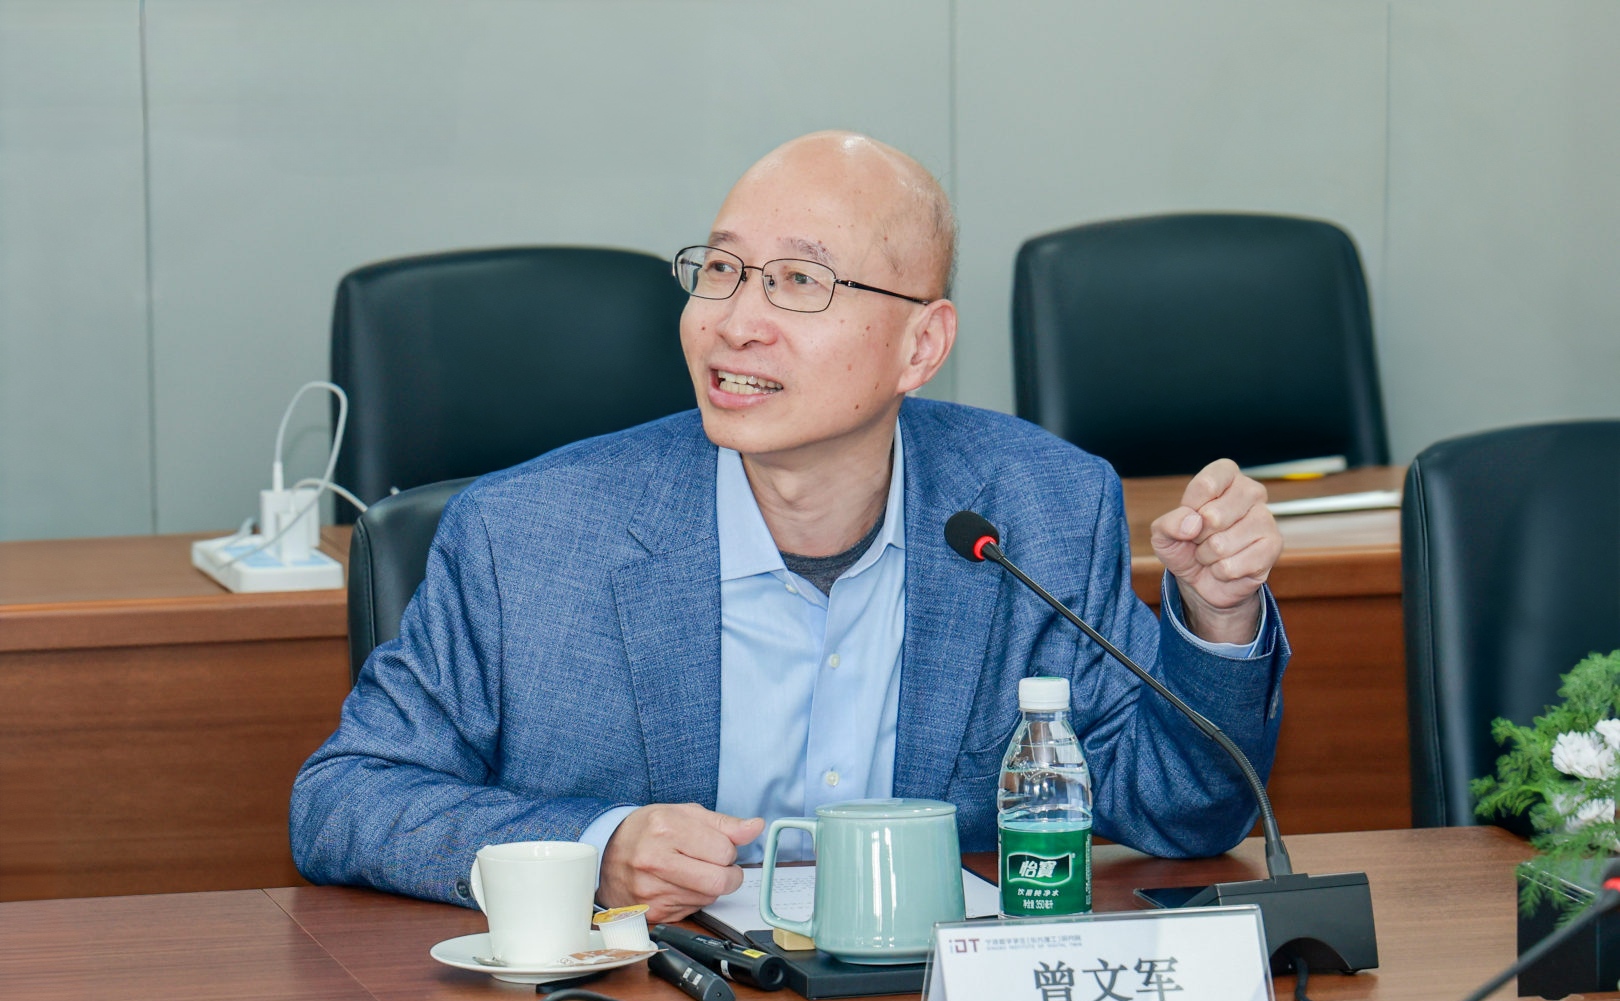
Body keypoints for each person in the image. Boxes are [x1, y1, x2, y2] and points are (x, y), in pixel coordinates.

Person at [290, 131, 1288, 923]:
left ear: (922, 345)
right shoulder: (529, 537)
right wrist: (594, 853)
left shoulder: (1039, 510)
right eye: (721, 269)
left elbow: (1185, 811)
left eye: (800, 283)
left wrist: (1218, 618)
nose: (734, 321)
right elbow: (345, 798)